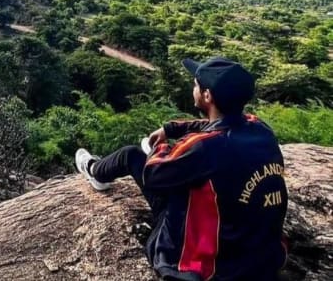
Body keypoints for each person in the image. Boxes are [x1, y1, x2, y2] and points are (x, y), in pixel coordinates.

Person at [75, 57, 288, 281]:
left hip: (211, 267)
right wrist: (170, 129)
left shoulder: (204, 147)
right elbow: (216, 126)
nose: (193, 88)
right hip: (263, 258)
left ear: (207, 96)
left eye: (196, 84)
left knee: (131, 155)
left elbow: (152, 174)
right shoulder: (260, 129)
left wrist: (158, 148)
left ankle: (94, 171)